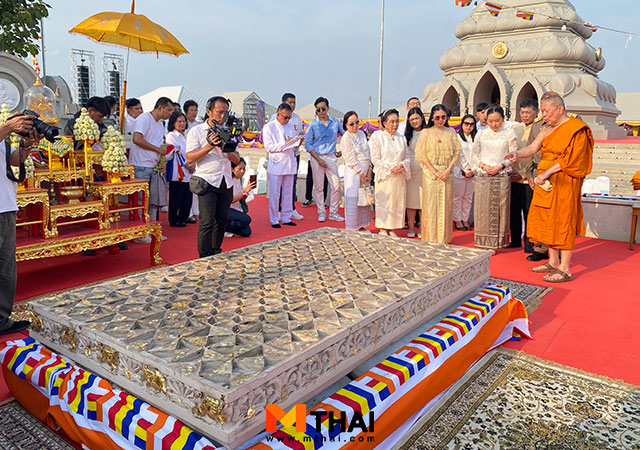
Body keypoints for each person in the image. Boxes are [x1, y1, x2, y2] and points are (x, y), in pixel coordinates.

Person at [505, 91, 594, 283]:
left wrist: (546, 173)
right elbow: (532, 148)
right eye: (542, 111)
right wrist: (516, 154)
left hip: (564, 181)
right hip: (544, 183)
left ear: (559, 108)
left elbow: (572, 159)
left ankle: (565, 268)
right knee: (547, 221)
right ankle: (553, 261)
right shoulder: (546, 130)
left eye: (546, 111)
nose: (542, 115)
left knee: (563, 222)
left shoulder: (576, 128)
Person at [0, 113, 41, 335]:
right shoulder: (3, 129)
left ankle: (1, 319)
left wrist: (27, 145)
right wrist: (7, 127)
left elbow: (13, 161)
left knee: (6, 269)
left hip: (6, 204)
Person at [186, 96, 240, 257]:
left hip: (226, 181)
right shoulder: (196, 131)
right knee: (207, 221)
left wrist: (228, 146)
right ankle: (203, 256)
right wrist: (210, 145)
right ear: (208, 111)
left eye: (225, 112)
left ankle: (216, 251)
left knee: (221, 221)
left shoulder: (228, 131)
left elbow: (237, 159)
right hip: (207, 180)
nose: (222, 117)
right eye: (219, 112)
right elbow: (189, 158)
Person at [471, 105, 517, 250]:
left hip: (501, 176)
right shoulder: (481, 134)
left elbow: (514, 155)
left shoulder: (509, 133)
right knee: (482, 209)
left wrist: (500, 166)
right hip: (483, 176)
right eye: (490, 121)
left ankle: (497, 243)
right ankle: (481, 241)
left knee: (499, 209)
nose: (494, 124)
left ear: (503, 119)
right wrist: (483, 166)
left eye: (497, 120)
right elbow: (474, 154)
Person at [415, 104, 461, 244]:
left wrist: (448, 169)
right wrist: (434, 171)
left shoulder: (451, 132)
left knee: (446, 205)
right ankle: (430, 237)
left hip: (447, 173)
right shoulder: (425, 132)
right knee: (430, 207)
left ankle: (445, 237)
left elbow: (457, 152)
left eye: (443, 117)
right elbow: (421, 154)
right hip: (430, 174)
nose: (440, 120)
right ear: (432, 118)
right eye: (437, 117)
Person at [129, 97, 173, 238]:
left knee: (154, 201)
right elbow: (137, 139)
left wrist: (161, 162)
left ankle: (153, 231)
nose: (170, 113)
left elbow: (161, 146)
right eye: (169, 109)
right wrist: (157, 150)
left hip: (154, 166)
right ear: (160, 107)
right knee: (143, 201)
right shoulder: (144, 118)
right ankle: (142, 233)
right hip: (141, 164)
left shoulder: (160, 124)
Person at [370, 109, 410, 236]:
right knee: (385, 202)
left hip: (398, 176)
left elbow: (407, 156)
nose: (395, 124)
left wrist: (402, 165)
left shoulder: (401, 137)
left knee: (396, 202)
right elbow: (375, 158)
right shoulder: (378, 136)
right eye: (392, 121)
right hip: (385, 177)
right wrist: (391, 168)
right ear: (384, 123)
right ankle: (383, 228)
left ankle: (392, 227)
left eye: (397, 121)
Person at [304, 96, 344, 222]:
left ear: (328, 108)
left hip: (331, 156)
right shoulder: (312, 125)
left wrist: (342, 151)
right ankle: (321, 211)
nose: (321, 111)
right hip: (317, 157)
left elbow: (346, 136)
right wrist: (317, 159)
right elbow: (308, 144)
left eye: (323, 108)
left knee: (336, 186)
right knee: (319, 187)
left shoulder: (336, 123)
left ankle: (333, 212)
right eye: (318, 110)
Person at [263, 103, 301, 228]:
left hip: (290, 162)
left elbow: (293, 142)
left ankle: (286, 216)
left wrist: (296, 143)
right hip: (277, 163)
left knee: (288, 192)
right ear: (278, 115)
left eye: (289, 117)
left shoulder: (290, 126)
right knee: (275, 194)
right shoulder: (269, 127)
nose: (287, 120)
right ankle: (274, 219)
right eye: (285, 117)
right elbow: (268, 147)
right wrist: (284, 144)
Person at [508, 98, 539, 251]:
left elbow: (535, 155)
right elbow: (509, 151)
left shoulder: (539, 130)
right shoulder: (514, 128)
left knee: (529, 213)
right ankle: (514, 240)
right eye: (522, 112)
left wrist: (523, 175)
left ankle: (529, 243)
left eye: (528, 112)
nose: (525, 115)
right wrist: (512, 172)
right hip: (513, 178)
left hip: (529, 180)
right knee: (513, 211)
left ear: (536, 112)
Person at [341, 111, 372, 231]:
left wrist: (369, 170)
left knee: (363, 198)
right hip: (354, 172)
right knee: (353, 199)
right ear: (346, 125)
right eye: (351, 124)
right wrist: (360, 174)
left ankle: (361, 225)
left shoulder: (362, 134)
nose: (355, 126)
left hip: (365, 169)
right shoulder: (346, 138)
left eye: (357, 122)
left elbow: (367, 152)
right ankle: (352, 227)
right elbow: (350, 158)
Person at [278, 93, 304, 221]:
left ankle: (291, 209)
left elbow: (300, 135)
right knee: (279, 185)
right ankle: (278, 209)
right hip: (281, 157)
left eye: (294, 102)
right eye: (290, 102)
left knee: (292, 183)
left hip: (294, 155)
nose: (292, 105)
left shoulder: (297, 118)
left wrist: (297, 143)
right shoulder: (275, 118)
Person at [165, 111, 193, 227]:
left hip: (189, 170)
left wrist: (193, 164)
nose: (182, 124)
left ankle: (184, 216)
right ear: (173, 123)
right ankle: (174, 218)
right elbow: (176, 152)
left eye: (183, 121)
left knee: (187, 196)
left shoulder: (186, 135)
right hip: (178, 169)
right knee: (176, 196)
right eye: (179, 121)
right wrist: (188, 164)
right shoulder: (171, 136)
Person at [404, 106, 426, 238]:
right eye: (411, 119)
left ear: (422, 118)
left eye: (417, 118)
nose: (414, 121)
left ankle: (423, 228)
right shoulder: (406, 135)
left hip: (425, 170)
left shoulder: (429, 132)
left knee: (423, 202)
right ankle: (411, 226)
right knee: (411, 202)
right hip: (411, 171)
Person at [453, 114, 477, 231]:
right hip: (459, 170)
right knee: (458, 197)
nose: (469, 126)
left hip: (473, 172)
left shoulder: (476, 138)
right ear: (462, 124)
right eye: (466, 123)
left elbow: (478, 155)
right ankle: (457, 220)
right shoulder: (457, 138)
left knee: (468, 197)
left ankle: (465, 219)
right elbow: (459, 155)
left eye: (471, 124)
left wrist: (473, 170)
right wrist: (465, 169)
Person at [225, 158, 255, 237]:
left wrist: (246, 193)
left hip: (238, 209)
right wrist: (245, 191)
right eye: (240, 169)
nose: (242, 171)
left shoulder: (241, 179)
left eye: (244, 168)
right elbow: (231, 200)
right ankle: (222, 227)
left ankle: (227, 227)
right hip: (227, 209)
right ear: (232, 169)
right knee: (246, 219)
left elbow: (241, 199)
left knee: (246, 232)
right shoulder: (228, 180)